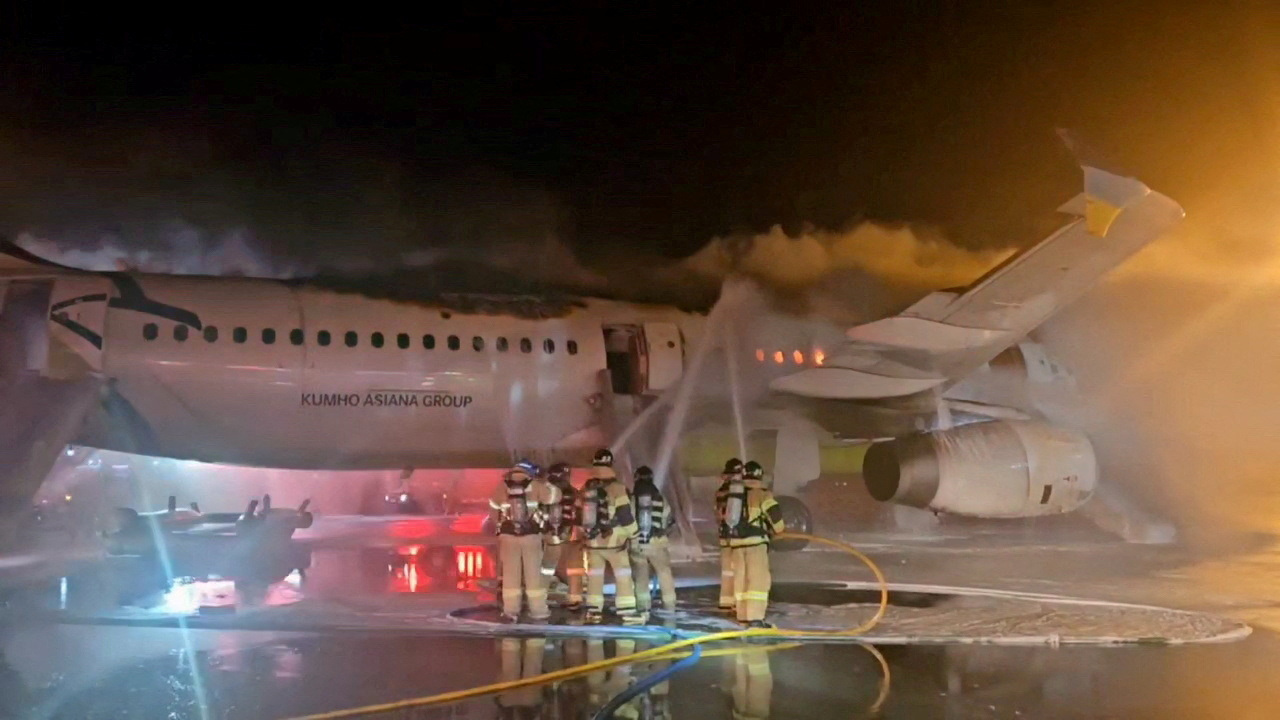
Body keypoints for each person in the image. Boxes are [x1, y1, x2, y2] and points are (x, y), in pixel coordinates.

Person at [577, 448, 642, 624]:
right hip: (615, 543)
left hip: (592, 543)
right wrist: (634, 533)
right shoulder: (618, 488)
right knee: (623, 576)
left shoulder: (585, 488)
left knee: (594, 577)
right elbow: (625, 515)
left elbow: (578, 514)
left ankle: (593, 612)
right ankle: (627, 612)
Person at [490, 461, 557, 621]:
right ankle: (538, 611)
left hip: (508, 537)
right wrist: (547, 482)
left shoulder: (501, 487)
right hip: (531, 536)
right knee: (533, 575)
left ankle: (511, 611)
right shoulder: (535, 485)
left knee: (510, 575)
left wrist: (502, 529)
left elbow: (493, 511)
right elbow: (554, 497)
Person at [723, 460, 785, 627]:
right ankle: (755, 618)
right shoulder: (763, 494)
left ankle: (742, 616)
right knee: (757, 582)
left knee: (741, 581)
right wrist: (778, 531)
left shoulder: (734, 494)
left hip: (736, 545)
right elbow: (777, 520)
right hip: (755, 544)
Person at [628, 466, 677, 613]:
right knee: (664, 573)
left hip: (637, 543)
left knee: (641, 577)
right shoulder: (660, 497)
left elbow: (628, 519)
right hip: (657, 542)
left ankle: (643, 607)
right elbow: (669, 520)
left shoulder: (633, 498)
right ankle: (670, 605)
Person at [541, 461, 586, 609]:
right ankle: (575, 599)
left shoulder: (547, 492)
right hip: (573, 535)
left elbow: (540, 513)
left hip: (552, 536)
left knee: (547, 566)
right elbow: (581, 513)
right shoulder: (574, 492)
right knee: (575, 568)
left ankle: (541, 597)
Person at [714, 458, 744, 614]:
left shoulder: (722, 490)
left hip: (724, 535)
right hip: (737, 537)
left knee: (727, 571)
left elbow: (719, 513)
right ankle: (738, 604)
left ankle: (726, 602)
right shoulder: (738, 490)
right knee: (740, 570)